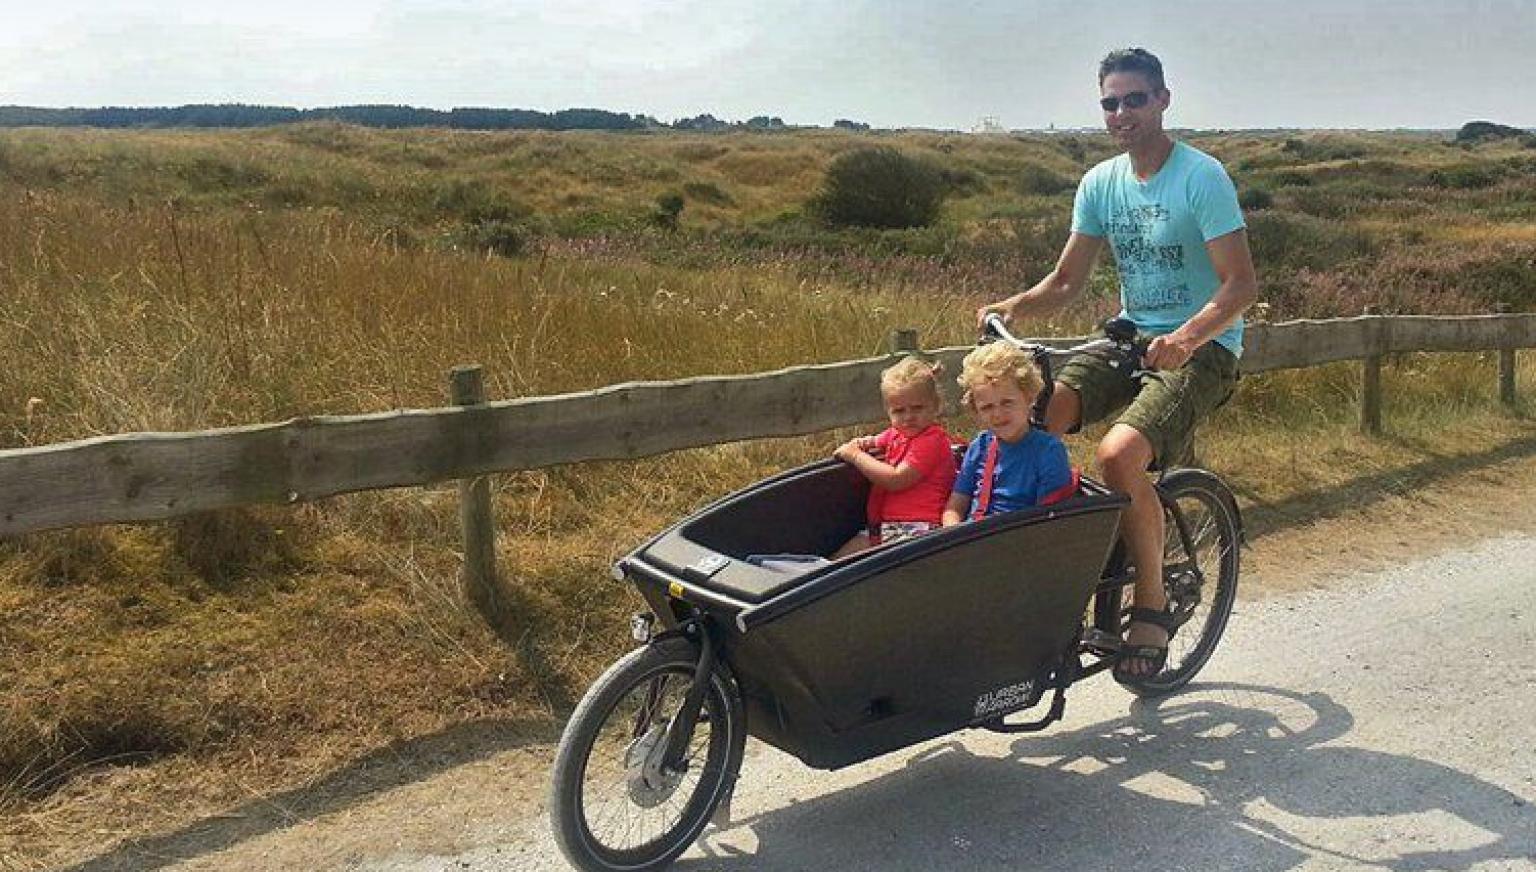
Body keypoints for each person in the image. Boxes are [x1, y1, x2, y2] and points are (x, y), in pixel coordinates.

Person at [977, 47, 1258, 683]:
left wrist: (1188, 337)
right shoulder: (1100, 183)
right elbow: (1066, 279)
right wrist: (1013, 307)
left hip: (1203, 349)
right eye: (1111, 102)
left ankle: (1152, 603)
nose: (1123, 112)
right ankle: (1047, 566)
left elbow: (1239, 285)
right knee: (1034, 420)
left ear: (1163, 100)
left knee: (1116, 456)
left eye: (1135, 99)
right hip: (1131, 338)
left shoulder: (1201, 177)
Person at [832, 356, 958, 557]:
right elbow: (874, 441)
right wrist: (860, 444)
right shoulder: (896, 434)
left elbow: (896, 479)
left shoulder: (931, 441)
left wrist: (855, 456)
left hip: (919, 528)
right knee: (837, 563)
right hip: (887, 527)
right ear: (888, 412)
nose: (908, 417)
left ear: (936, 405)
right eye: (899, 411)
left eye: (917, 408)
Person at [942, 342, 1076, 526]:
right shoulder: (981, 446)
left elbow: (1050, 520)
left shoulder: (1048, 451)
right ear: (976, 411)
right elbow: (956, 505)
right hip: (971, 538)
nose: (997, 414)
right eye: (987, 407)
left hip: (1019, 540)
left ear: (1029, 397)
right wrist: (952, 533)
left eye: (1007, 403)